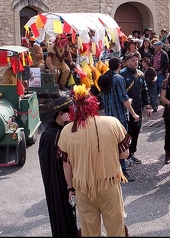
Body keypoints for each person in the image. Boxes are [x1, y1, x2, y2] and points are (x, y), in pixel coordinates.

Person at [57, 85, 130, 237]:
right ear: (93, 103)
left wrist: (71, 189)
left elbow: (66, 164)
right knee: (116, 229)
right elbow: (125, 155)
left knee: (89, 231)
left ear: (74, 108)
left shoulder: (66, 131)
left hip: (82, 188)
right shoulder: (112, 122)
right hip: (109, 184)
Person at [38, 96, 79, 237]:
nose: (72, 115)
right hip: (58, 182)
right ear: (61, 114)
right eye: (70, 112)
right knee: (62, 211)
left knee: (69, 211)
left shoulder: (60, 130)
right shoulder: (51, 135)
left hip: (63, 179)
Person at [99, 57, 140, 182]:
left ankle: (113, 169)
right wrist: (134, 114)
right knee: (122, 145)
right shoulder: (118, 79)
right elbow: (123, 98)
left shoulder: (103, 78)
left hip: (108, 117)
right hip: (119, 117)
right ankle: (122, 171)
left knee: (112, 145)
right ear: (119, 66)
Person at [120, 52, 153, 167]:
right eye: (133, 60)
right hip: (127, 109)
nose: (136, 62)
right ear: (127, 62)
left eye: (137, 60)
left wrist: (147, 106)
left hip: (138, 108)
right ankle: (126, 156)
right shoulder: (122, 75)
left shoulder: (140, 74)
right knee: (127, 133)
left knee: (136, 131)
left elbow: (145, 91)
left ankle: (132, 152)